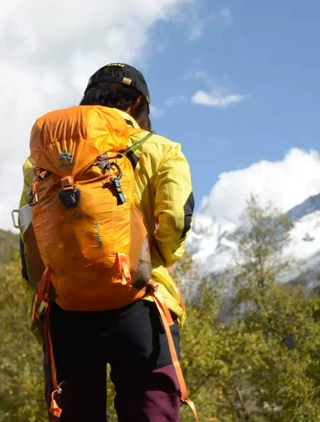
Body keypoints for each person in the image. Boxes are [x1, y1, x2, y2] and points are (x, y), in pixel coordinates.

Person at [17, 63, 196, 421]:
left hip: (68, 311)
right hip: (142, 303)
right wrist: (163, 255)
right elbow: (176, 217)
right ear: (136, 107)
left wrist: (45, 287)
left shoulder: (41, 162)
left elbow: (28, 230)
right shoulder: (162, 150)